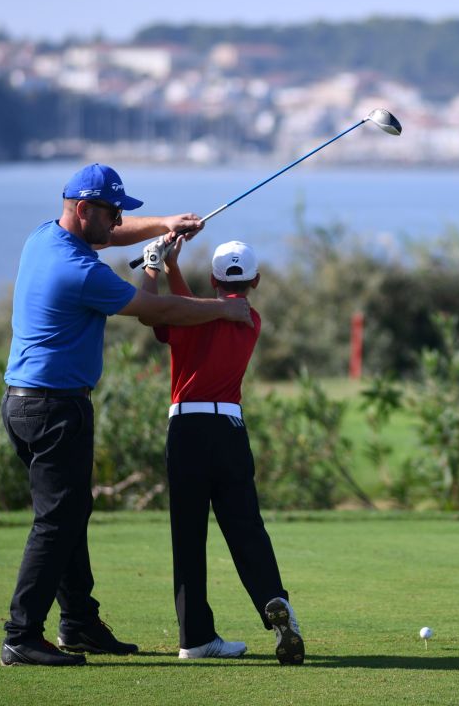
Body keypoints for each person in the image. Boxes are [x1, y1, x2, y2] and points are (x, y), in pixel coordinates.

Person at [0, 163, 253, 668]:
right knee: (58, 518)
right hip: (53, 408)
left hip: (30, 403)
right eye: (111, 212)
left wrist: (165, 225)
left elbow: (113, 238)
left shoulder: (42, 238)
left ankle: (79, 623)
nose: (118, 223)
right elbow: (161, 312)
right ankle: (21, 634)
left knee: (71, 511)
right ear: (83, 209)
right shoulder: (81, 272)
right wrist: (223, 310)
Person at [140, 234, 305, 665]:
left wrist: (158, 264)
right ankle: (273, 600)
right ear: (257, 281)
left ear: (212, 278)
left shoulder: (192, 314)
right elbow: (189, 308)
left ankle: (194, 638)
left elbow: (162, 313)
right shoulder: (251, 320)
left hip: (186, 430)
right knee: (246, 527)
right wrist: (171, 266)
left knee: (189, 537)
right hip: (228, 428)